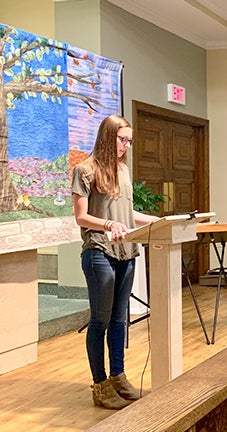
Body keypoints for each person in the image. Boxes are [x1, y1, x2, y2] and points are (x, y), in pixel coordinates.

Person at [72, 114, 158, 410]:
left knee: (120, 319)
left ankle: (118, 376)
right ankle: (100, 385)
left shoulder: (122, 170)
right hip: (98, 252)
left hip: (127, 252)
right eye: (123, 140)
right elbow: (81, 217)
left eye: (130, 141)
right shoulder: (84, 170)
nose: (127, 146)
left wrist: (159, 221)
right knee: (101, 320)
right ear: (108, 137)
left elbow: (127, 215)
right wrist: (107, 225)